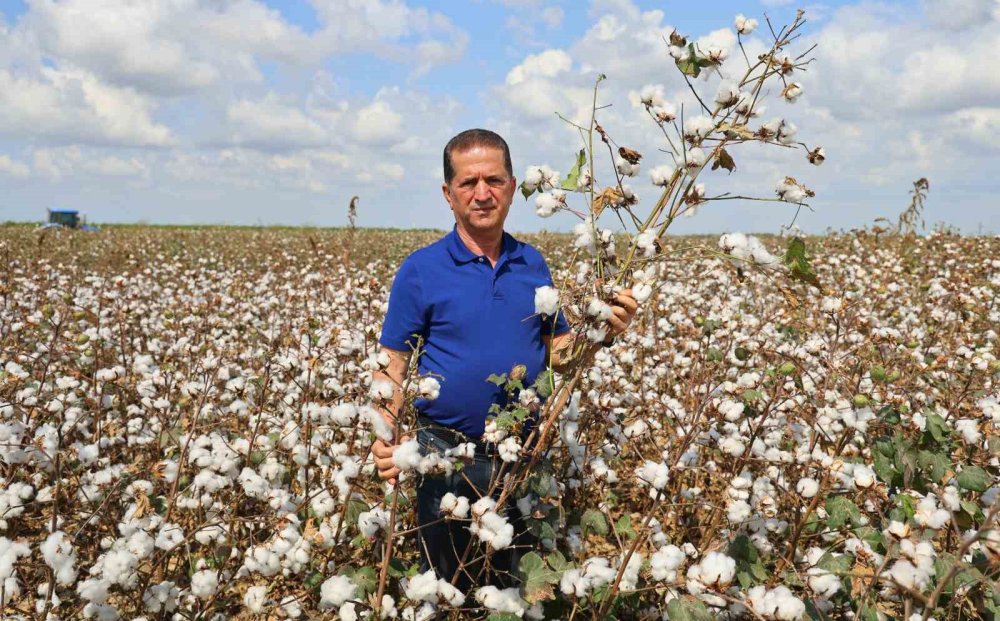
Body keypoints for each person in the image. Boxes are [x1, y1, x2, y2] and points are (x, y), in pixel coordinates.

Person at [371, 128, 637, 590]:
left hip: (525, 455)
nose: (481, 194)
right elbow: (392, 363)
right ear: (447, 194)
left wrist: (601, 330)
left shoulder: (532, 264)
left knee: (518, 588)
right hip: (443, 456)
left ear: (512, 187)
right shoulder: (421, 270)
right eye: (467, 183)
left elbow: (558, 353)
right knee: (451, 586)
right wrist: (386, 438)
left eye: (493, 180)